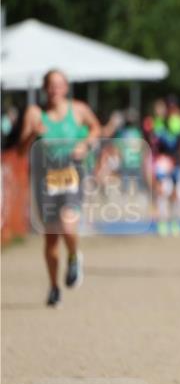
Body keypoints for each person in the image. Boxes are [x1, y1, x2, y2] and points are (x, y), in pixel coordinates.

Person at [18, 69, 101, 307]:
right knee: (51, 240)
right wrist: (32, 134)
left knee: (68, 224)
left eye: (59, 85)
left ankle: (74, 257)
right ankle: (54, 286)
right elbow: (22, 151)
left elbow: (97, 129)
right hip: (45, 180)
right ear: (45, 89)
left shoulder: (78, 109)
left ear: (66, 88)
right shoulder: (35, 114)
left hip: (72, 174)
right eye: (50, 85)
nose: (55, 90)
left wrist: (85, 145)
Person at [148, 98, 180, 236]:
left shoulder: (178, 121)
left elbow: (178, 140)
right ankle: (162, 221)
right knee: (161, 191)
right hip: (163, 160)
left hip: (176, 160)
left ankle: (175, 220)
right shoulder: (158, 122)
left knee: (176, 193)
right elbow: (155, 141)